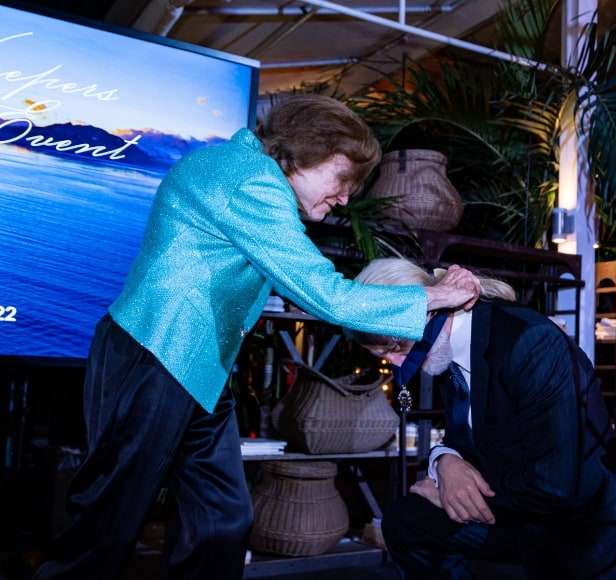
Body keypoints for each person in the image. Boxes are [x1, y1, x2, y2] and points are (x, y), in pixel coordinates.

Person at [33, 95, 481, 580]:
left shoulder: (239, 167)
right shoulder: (253, 182)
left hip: (196, 366)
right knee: (107, 525)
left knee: (222, 520)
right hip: (157, 353)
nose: (347, 197)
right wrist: (434, 296)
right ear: (307, 152)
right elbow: (327, 295)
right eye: (344, 178)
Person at [349, 258, 616, 579]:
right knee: (407, 522)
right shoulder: (444, 344)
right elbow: (466, 434)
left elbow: (552, 485)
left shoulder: (529, 343)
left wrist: (449, 496)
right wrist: (445, 463)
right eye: (381, 356)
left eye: (394, 345)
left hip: (591, 527)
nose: (394, 365)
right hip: (520, 511)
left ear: (430, 307)